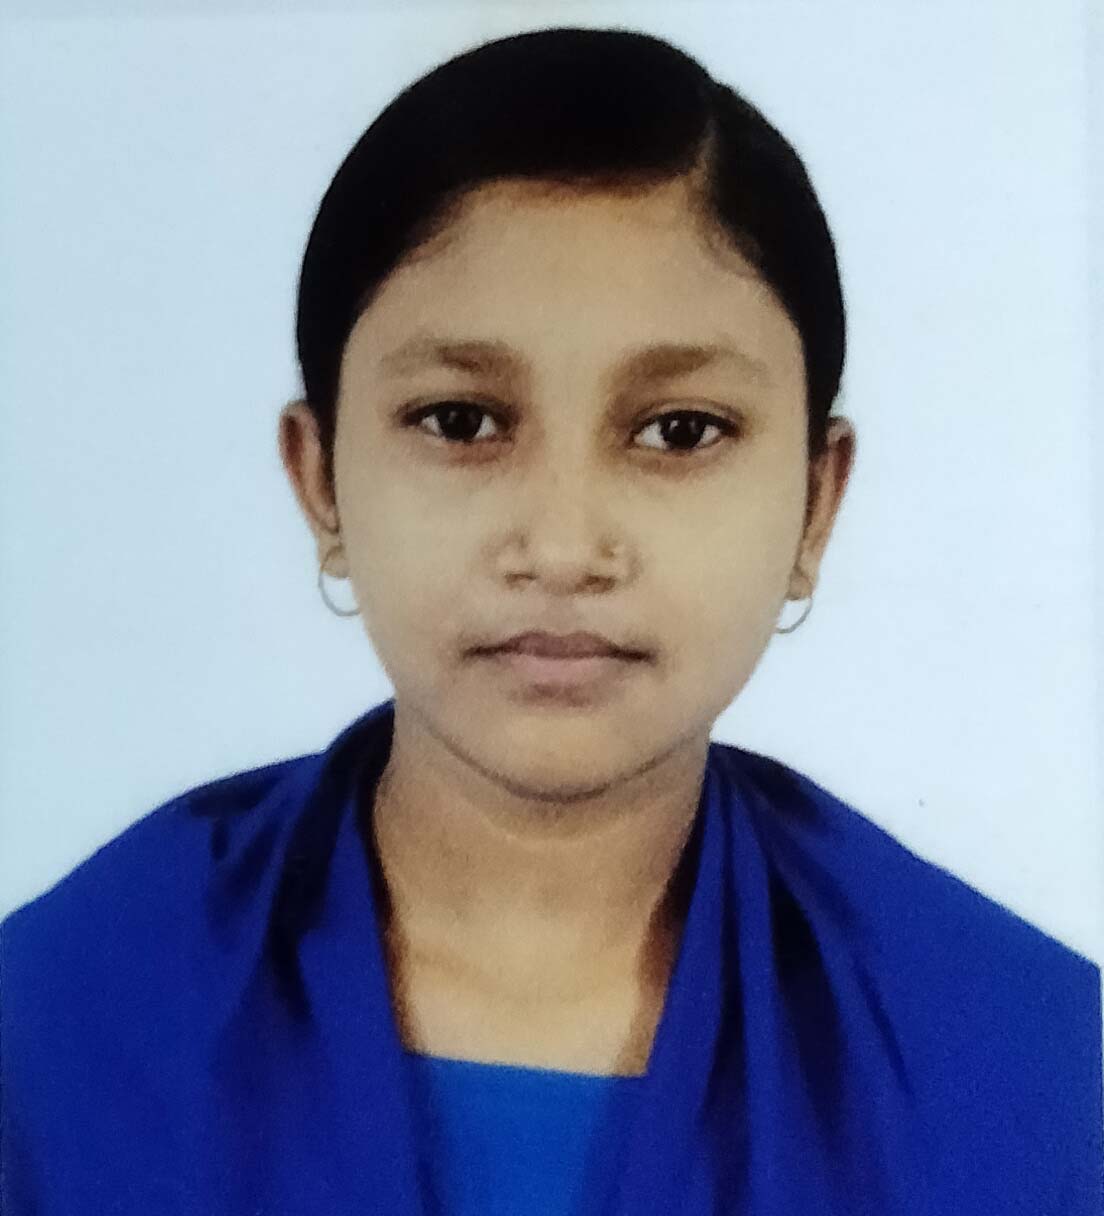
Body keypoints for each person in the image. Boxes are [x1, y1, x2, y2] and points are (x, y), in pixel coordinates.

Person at [1, 25, 1100, 1216]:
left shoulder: (1030, 1080)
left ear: (813, 504)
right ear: (321, 482)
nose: (566, 547)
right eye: (461, 421)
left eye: (679, 430)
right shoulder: (59, 1031)